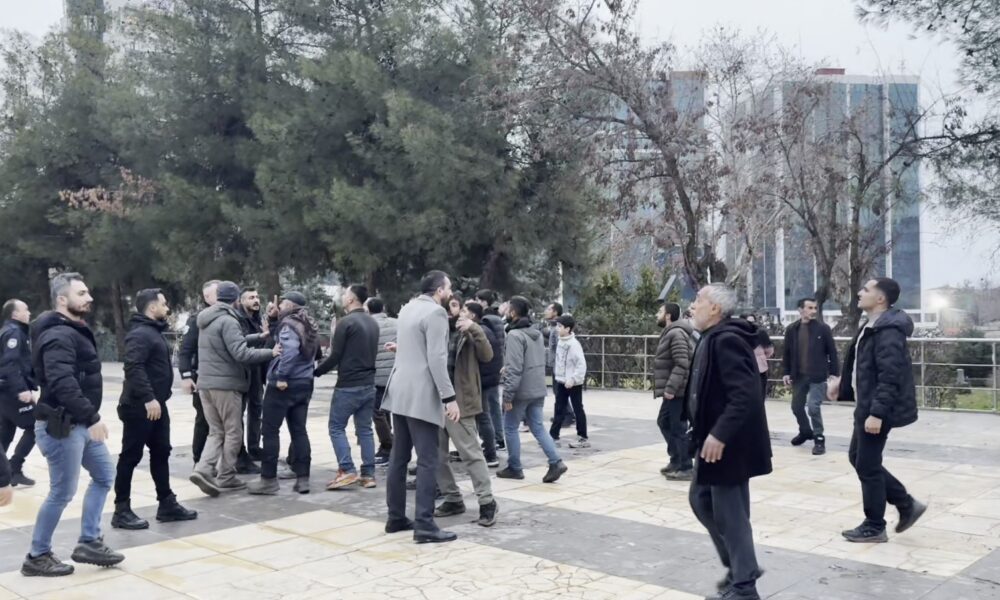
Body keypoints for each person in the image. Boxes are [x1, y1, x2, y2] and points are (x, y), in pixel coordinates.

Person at [22, 273, 124, 577]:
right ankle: (37, 556)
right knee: (62, 493)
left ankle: (89, 541)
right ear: (62, 299)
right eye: (81, 294)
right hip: (62, 427)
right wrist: (92, 417)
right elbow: (61, 382)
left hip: (79, 423)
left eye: (88, 292)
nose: (89, 298)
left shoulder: (72, 330)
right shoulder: (58, 335)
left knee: (104, 475)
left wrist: (87, 418)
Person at [686, 284, 771, 600]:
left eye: (699, 300)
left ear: (715, 309)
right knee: (701, 500)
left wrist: (720, 434)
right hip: (711, 441)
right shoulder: (712, 337)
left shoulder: (727, 340)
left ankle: (744, 585)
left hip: (728, 445)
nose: (693, 305)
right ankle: (742, 567)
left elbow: (746, 395)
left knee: (730, 515)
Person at [828, 278, 926, 543]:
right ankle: (906, 504)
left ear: (881, 298)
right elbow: (864, 366)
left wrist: (877, 413)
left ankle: (875, 526)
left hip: (876, 408)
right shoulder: (872, 325)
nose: (860, 293)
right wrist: (843, 385)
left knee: (867, 465)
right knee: (858, 458)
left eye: (866, 290)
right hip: (867, 404)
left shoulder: (889, 331)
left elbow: (890, 376)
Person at [382, 271, 462, 544]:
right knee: (428, 460)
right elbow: (437, 359)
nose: (450, 292)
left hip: (399, 391)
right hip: (421, 395)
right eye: (448, 288)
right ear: (439, 290)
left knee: (399, 458)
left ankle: (395, 517)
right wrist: (449, 398)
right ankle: (425, 525)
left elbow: (412, 346)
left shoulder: (407, 308)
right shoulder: (436, 313)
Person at [112, 289, 198, 530]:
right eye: (164, 304)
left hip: (157, 405)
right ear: (152, 308)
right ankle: (121, 510)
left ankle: (167, 504)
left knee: (161, 452)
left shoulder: (152, 331)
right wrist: (148, 398)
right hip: (140, 406)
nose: (167, 308)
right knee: (130, 456)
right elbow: (133, 367)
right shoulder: (140, 334)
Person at [189, 281, 278, 497]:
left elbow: (230, 341)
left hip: (205, 384)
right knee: (233, 432)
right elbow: (241, 353)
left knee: (216, 431)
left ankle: (203, 469)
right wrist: (271, 352)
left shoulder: (208, 318)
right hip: (226, 386)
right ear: (236, 299)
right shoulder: (229, 320)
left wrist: (258, 337)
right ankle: (226, 476)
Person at [433, 301, 498, 527]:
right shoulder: (436, 330)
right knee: (436, 455)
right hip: (435, 402)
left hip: (460, 403)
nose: (452, 310)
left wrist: (474, 328)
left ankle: (487, 501)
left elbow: (487, 355)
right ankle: (452, 498)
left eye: (456, 306)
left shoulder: (468, 332)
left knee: (471, 453)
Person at [248, 291, 318, 495]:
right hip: (304, 382)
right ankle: (303, 478)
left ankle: (268, 480)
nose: (280, 306)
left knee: (270, 431)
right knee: (299, 430)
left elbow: (289, 351)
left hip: (284, 385)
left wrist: (282, 376)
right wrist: (272, 318)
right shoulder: (308, 323)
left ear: (292, 305)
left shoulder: (289, 325)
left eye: (284, 303)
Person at [315, 285, 380, 490]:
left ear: (351, 299)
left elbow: (335, 356)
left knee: (336, 427)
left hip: (348, 385)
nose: (342, 297)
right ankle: (368, 474)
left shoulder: (346, 322)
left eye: (345, 294)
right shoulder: (372, 322)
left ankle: (347, 469)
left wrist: (316, 372)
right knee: (365, 430)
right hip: (369, 383)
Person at [497, 296, 567, 483]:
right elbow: (528, 361)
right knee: (538, 427)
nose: (505, 312)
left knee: (510, 427)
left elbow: (515, 368)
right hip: (537, 387)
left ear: (513, 313)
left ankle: (514, 467)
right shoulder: (536, 333)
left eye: (508, 309)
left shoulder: (514, 335)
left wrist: (508, 396)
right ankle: (556, 461)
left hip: (520, 390)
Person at [782, 298, 839, 456]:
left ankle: (819, 438)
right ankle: (805, 431)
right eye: (810, 307)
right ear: (800, 310)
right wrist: (786, 372)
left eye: (815, 308)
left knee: (813, 407)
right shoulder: (792, 329)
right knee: (796, 407)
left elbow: (832, 352)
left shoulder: (823, 328)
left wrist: (834, 374)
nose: (813, 311)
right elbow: (787, 352)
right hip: (799, 376)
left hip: (817, 376)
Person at [178, 280, 219, 464]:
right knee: (204, 420)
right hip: (202, 378)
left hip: (224, 379)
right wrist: (186, 375)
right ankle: (199, 460)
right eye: (218, 293)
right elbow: (185, 350)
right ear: (207, 297)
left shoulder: (230, 316)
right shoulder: (197, 319)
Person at [653, 302, 695, 480]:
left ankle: (686, 466)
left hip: (677, 390)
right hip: (672, 390)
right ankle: (676, 459)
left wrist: (671, 388)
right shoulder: (670, 332)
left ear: (668, 315)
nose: (657, 315)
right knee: (664, 422)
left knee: (678, 427)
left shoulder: (676, 333)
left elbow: (682, 363)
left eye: (660, 311)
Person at [0, 299, 38, 487]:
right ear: (15, 314)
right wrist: (21, 389)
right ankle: (14, 468)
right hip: (12, 391)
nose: (29, 313)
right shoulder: (14, 332)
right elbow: (10, 363)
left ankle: (4, 472)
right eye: (26, 309)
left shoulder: (8, 330)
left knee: (5, 434)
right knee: (37, 426)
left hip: (4, 391)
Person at [235, 288, 265, 472]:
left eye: (257, 297)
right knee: (238, 412)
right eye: (251, 297)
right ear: (241, 301)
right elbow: (241, 343)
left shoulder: (258, 319)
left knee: (257, 408)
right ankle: (240, 454)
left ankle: (254, 447)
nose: (256, 300)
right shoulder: (237, 319)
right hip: (242, 371)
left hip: (257, 370)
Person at [549, 315, 589, 448]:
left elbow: (581, 364)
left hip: (573, 383)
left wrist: (573, 379)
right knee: (559, 408)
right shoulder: (561, 342)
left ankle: (582, 437)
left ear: (567, 329)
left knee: (578, 409)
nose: (557, 328)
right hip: (561, 381)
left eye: (560, 326)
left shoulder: (574, 344)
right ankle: (553, 435)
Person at [366, 297, 397, 465]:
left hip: (377, 376)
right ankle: (392, 445)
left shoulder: (368, 325)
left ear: (368, 309)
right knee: (390, 411)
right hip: (396, 374)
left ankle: (388, 446)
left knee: (378, 412)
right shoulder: (396, 323)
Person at [473, 289, 506, 451]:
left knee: (489, 406)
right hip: (497, 365)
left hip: (489, 366)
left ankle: (494, 440)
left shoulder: (486, 320)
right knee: (493, 404)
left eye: (477, 300)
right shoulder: (497, 318)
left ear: (484, 302)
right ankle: (497, 438)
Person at [543, 301, 574, 429]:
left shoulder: (558, 328)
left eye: (549, 309)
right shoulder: (554, 326)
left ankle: (567, 416)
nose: (546, 311)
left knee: (559, 391)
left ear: (555, 312)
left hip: (559, 364)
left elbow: (560, 346)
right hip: (556, 363)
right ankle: (563, 415)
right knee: (558, 391)